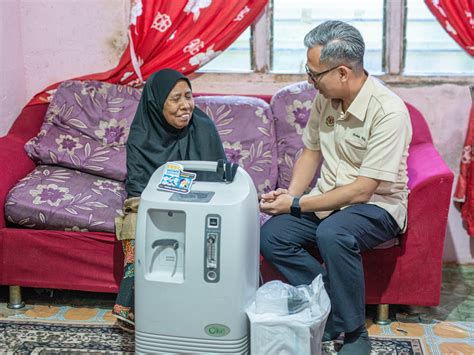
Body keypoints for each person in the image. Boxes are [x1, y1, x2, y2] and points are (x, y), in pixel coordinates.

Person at [260, 20, 412, 354]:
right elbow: (311, 152)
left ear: (342, 72)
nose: (309, 81)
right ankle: (328, 308)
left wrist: (297, 206)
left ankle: (354, 332)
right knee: (273, 236)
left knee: (334, 233)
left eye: (314, 74)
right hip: (329, 200)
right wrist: (292, 195)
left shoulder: (389, 111)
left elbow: (361, 190)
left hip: (377, 205)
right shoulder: (326, 100)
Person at [112, 69, 226, 331]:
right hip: (154, 204)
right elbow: (138, 190)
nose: (185, 105)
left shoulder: (203, 127)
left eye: (189, 96)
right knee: (134, 222)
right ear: (157, 102)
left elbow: (219, 179)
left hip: (200, 203)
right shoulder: (141, 135)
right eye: (175, 99)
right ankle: (131, 306)